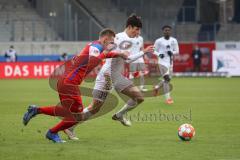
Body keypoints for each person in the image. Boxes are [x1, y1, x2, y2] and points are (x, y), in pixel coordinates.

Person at [22, 28, 129, 143]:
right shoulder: (96, 48)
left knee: (65, 111)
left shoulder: (94, 47)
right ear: (105, 39)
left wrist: (119, 54)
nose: (112, 44)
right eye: (111, 42)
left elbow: (100, 56)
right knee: (78, 116)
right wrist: (106, 53)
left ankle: (36, 110)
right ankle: (52, 132)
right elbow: (93, 62)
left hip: (65, 81)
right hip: (70, 83)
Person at [63, 14, 154, 139]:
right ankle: (69, 126)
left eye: (139, 30)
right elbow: (113, 54)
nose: (138, 33)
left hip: (118, 77)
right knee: (95, 108)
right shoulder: (117, 38)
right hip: (107, 76)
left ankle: (120, 115)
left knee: (139, 97)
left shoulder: (132, 41)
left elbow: (128, 59)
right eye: (136, 29)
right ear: (130, 27)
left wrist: (142, 52)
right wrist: (143, 52)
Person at [153, 25, 179, 105]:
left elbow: (177, 51)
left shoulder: (174, 40)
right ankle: (168, 99)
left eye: (168, 30)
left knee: (167, 79)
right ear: (163, 31)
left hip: (170, 63)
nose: (167, 31)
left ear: (170, 31)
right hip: (162, 62)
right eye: (165, 30)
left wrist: (172, 52)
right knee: (167, 79)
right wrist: (159, 54)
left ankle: (157, 87)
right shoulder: (158, 41)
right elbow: (154, 50)